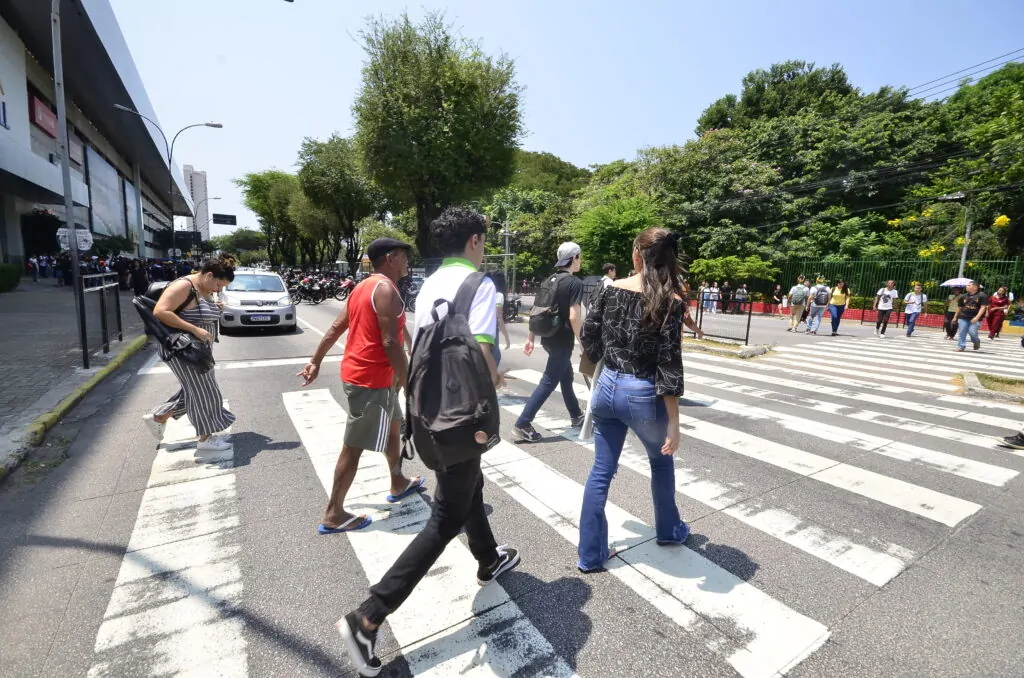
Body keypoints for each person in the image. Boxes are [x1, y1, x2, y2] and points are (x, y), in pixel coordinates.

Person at [336, 208, 519, 677]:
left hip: (429, 407)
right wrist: (498, 379)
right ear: (474, 240)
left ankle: (488, 558)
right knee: (446, 516)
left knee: (467, 483)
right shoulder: (479, 284)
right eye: (483, 240)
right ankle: (368, 616)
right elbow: (482, 349)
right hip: (462, 412)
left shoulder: (430, 283)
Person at [578, 227, 688, 573]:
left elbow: (588, 336)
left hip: (607, 386)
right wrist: (674, 423)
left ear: (637, 255)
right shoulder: (671, 301)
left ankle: (590, 554)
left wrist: (606, 355)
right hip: (642, 392)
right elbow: (669, 364)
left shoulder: (608, 289)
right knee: (661, 462)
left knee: (601, 470)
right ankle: (669, 530)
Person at [297, 238, 425, 534]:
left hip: (373, 376)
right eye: (404, 256)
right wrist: (410, 384)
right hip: (371, 380)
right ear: (390, 258)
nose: (407, 262)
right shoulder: (385, 289)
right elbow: (390, 342)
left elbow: (337, 327)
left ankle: (398, 481)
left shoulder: (363, 287)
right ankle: (334, 513)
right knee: (354, 445)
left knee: (393, 427)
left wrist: (315, 361)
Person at [143, 256, 237, 451]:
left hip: (197, 350)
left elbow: (196, 311)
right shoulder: (184, 286)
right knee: (205, 390)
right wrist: (194, 330)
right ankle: (205, 439)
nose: (218, 289)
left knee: (194, 389)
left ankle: (159, 417)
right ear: (209, 275)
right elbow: (160, 312)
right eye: (218, 285)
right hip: (182, 349)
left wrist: (214, 308)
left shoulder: (204, 287)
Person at [513, 242, 585, 442]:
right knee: (549, 380)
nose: (580, 260)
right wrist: (583, 343)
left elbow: (536, 310)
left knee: (566, 376)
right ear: (574, 258)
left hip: (547, 337)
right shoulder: (574, 283)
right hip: (562, 338)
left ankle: (576, 415)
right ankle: (523, 423)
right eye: (579, 257)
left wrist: (530, 338)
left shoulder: (548, 280)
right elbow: (574, 316)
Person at [953, 280, 988, 352]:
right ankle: (961, 346)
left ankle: (976, 341)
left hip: (975, 318)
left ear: (975, 287)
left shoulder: (982, 296)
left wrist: (977, 317)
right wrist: (955, 317)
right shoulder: (963, 296)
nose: (967, 286)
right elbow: (960, 307)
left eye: (969, 285)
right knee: (962, 331)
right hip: (963, 316)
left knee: (972, 332)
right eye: (967, 285)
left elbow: (983, 307)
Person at [487, 270, 512, 366]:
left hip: (479, 328)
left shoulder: (486, 293)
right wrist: (506, 337)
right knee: (495, 357)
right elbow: (499, 318)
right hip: (492, 330)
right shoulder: (499, 295)